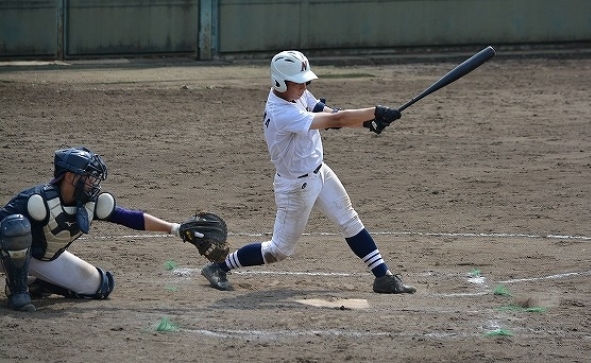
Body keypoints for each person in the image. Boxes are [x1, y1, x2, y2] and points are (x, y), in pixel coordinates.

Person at [201, 50, 416, 294]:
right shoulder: (282, 112)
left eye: (306, 81)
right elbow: (336, 121)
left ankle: (384, 278)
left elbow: (329, 114)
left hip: (319, 172)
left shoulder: (297, 94)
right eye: (299, 82)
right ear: (280, 82)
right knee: (278, 250)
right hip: (295, 187)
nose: (305, 86)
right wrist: (376, 111)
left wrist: (368, 123)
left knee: (349, 220)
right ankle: (219, 267)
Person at [0, 146, 184, 312]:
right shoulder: (35, 199)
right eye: (88, 176)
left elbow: (129, 217)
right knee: (15, 226)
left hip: (44, 258)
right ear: (70, 177)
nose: (93, 182)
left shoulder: (89, 203)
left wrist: (175, 228)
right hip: (6, 255)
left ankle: (33, 283)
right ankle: (18, 292)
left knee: (100, 287)